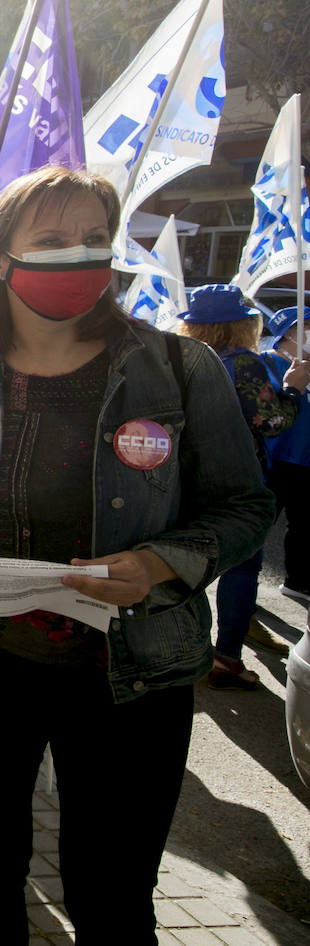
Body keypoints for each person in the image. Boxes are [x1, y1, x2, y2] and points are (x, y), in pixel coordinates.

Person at [0, 166, 275, 943]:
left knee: (110, 892)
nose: (79, 257)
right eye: (53, 240)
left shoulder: (179, 370)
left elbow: (245, 507)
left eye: (94, 240)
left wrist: (160, 564)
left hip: (130, 678)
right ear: (0, 259)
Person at [173, 284, 307, 685]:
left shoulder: (181, 358)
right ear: (244, 323)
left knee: (189, 564)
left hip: (183, 474)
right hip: (233, 477)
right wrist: (294, 389)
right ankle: (226, 656)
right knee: (241, 564)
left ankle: (186, 650)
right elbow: (271, 422)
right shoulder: (243, 363)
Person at [264, 306, 310, 620]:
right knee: (258, 525)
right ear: (287, 334)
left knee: (304, 525)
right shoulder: (268, 362)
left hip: (305, 460)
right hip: (274, 458)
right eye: (305, 328)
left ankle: (298, 581)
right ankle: (239, 588)